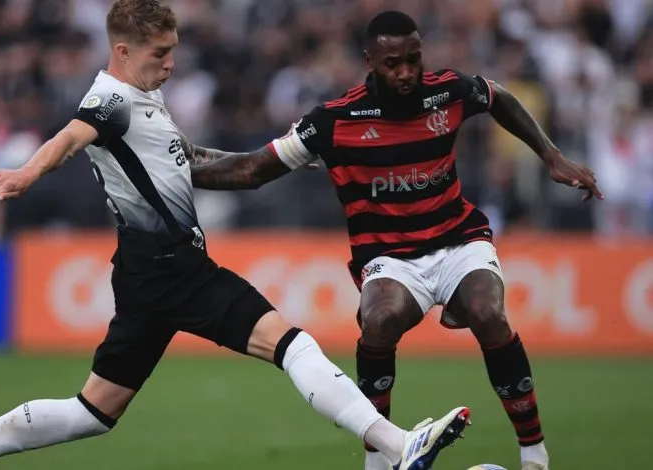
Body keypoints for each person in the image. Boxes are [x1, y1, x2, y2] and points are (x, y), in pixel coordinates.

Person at [0, 3, 472, 470]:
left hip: (146, 272)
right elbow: (74, 134)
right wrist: (29, 171)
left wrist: (285, 161)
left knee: (93, 411)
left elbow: (190, 162)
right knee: (291, 344)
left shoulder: (144, 98)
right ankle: (399, 447)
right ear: (123, 51)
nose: (172, 63)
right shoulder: (111, 98)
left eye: (173, 50)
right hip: (172, 267)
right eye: (160, 53)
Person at [188, 10, 603, 470]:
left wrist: (551, 156)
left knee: (488, 311)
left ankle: (534, 455)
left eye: (413, 59)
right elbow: (252, 169)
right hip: (388, 255)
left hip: (458, 238)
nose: (405, 72)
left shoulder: (448, 90)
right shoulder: (334, 120)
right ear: (370, 61)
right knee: (380, 320)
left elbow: (498, 97)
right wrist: (178, 173)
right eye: (393, 63)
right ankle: (381, 459)